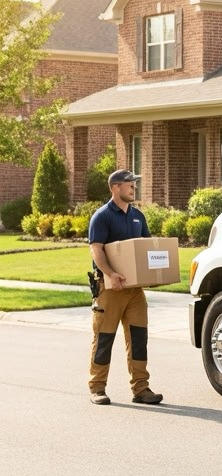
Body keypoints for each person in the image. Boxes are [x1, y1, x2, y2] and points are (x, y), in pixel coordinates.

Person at [87, 169, 163, 405]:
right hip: (109, 289)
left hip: (134, 291)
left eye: (134, 184)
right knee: (104, 338)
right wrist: (111, 274)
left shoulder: (138, 216)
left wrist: (152, 274)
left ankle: (141, 388)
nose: (134, 187)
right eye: (130, 184)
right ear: (115, 187)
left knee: (139, 339)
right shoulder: (102, 216)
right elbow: (96, 250)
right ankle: (97, 388)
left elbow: (147, 247)